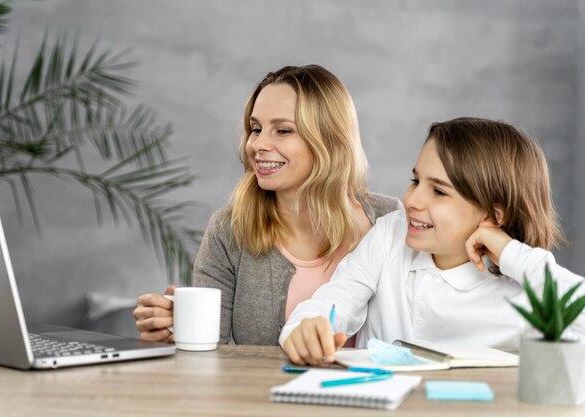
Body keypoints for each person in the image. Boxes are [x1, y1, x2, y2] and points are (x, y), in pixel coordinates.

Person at [280, 117, 585, 365]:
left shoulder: (521, 290)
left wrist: (511, 253)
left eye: (439, 192)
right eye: (416, 181)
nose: (411, 199)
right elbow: (335, 298)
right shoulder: (391, 235)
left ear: (493, 215)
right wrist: (306, 328)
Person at [133, 65, 401, 345]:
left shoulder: (389, 221)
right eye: (256, 128)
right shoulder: (229, 230)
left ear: (331, 139)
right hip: (258, 390)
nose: (258, 144)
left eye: (283, 131)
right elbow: (209, 354)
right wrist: (175, 330)